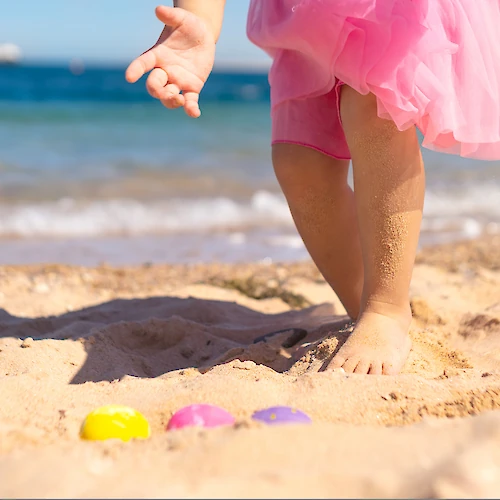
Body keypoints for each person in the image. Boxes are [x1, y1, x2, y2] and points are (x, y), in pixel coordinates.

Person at [126, 1, 500, 375]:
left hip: (385, 10)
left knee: (374, 111)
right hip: (302, 19)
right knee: (298, 161)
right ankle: (362, 306)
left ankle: (386, 308)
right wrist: (201, 23)